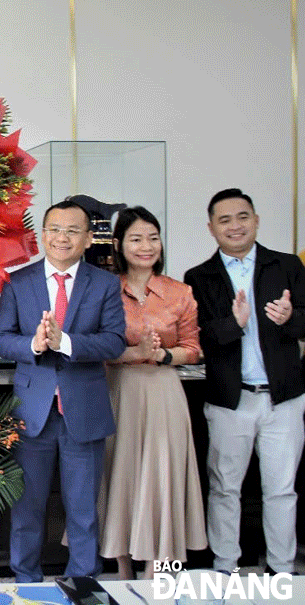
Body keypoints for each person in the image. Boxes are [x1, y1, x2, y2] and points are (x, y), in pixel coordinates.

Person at [0, 199, 126, 582]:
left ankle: (83, 584)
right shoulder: (18, 282)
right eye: (54, 229)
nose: (61, 237)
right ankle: (26, 582)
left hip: (82, 411)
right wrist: (33, 345)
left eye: (72, 230)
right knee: (27, 508)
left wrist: (65, 342)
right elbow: (3, 340)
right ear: (43, 234)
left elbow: (114, 342)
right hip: (31, 414)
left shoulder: (104, 284)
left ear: (87, 239)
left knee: (83, 509)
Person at [184, 188, 305, 574]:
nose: (235, 226)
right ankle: (225, 568)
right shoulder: (199, 277)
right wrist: (232, 324)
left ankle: (282, 569)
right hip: (229, 401)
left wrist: (291, 319)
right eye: (225, 220)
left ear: (255, 220)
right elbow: (199, 335)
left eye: (242, 217)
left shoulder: (286, 266)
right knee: (224, 489)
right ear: (211, 228)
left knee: (282, 490)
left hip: (283, 398)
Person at [100, 206, 206, 579]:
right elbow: (96, 347)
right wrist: (134, 353)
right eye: (136, 238)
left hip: (164, 393)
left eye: (153, 237)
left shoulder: (179, 292)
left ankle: (155, 571)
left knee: (160, 477)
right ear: (118, 245)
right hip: (119, 392)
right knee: (122, 476)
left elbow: (194, 347)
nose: (146, 246)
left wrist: (161, 354)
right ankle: (124, 569)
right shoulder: (104, 289)